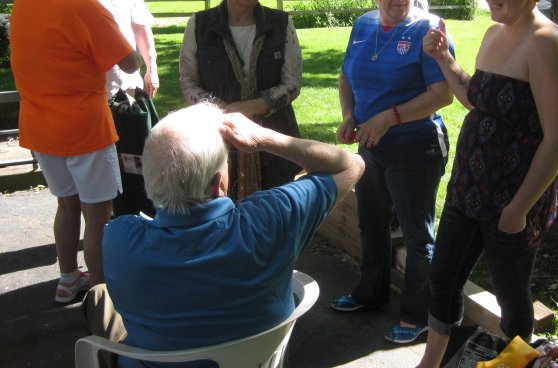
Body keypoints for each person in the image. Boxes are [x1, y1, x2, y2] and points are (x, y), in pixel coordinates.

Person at [81, 102, 364, 368]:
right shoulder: (273, 219)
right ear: (217, 183)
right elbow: (352, 164)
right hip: (256, 361)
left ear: (150, 181)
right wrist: (265, 138)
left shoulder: (118, 239)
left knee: (99, 296)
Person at [416, 0, 558, 368]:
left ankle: (514, 364)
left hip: (513, 198)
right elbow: (477, 98)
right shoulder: (494, 34)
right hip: (468, 186)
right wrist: (443, 59)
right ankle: (430, 362)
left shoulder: (549, 43)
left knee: (511, 296)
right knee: (443, 278)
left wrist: (519, 208)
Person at [330, 0, 454, 344]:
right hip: (371, 144)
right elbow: (346, 76)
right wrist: (350, 114)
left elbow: (443, 94)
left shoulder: (429, 29)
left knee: (417, 236)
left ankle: (418, 315)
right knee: (370, 221)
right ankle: (371, 292)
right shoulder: (363, 24)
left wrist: (388, 118)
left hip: (415, 147)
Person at [9, 0, 139, 302]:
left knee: (66, 205)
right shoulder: (86, 9)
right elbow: (130, 63)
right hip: (84, 128)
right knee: (98, 214)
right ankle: (101, 293)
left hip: (40, 127)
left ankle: (68, 279)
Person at [179, 0, 302, 200]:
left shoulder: (281, 24)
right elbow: (189, 83)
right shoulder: (200, 25)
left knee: (276, 210)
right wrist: (225, 112)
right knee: (222, 206)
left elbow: (292, 84)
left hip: (274, 140)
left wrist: (251, 107)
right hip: (218, 138)